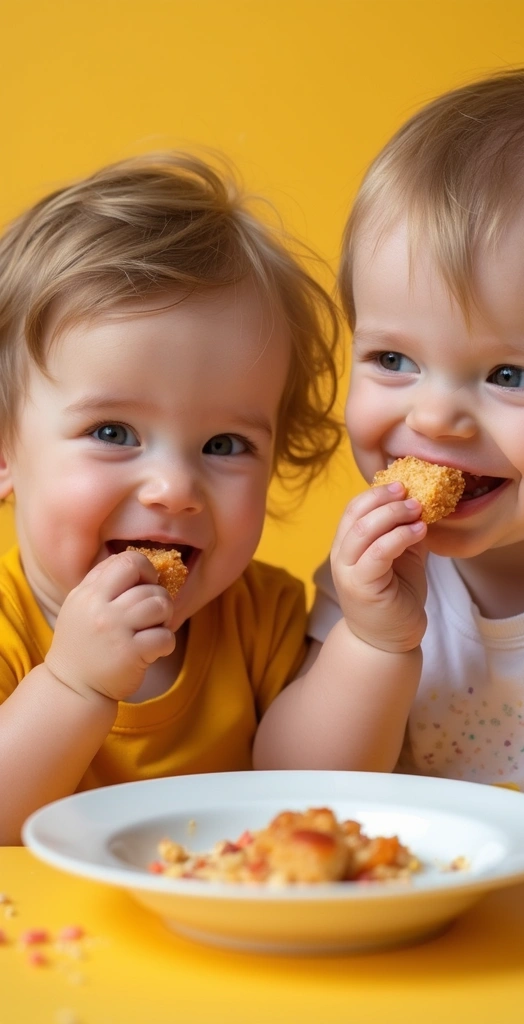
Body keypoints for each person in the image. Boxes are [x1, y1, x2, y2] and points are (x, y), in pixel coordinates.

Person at [255, 67, 524, 813]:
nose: (433, 418)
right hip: (426, 920)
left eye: (509, 373)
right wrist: (373, 643)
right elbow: (293, 793)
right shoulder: (381, 577)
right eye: (394, 361)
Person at [0, 152, 343, 844]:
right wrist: (74, 687)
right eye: (113, 432)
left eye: (224, 445)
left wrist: (371, 639)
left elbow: (325, 792)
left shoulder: (263, 619)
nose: (174, 489)